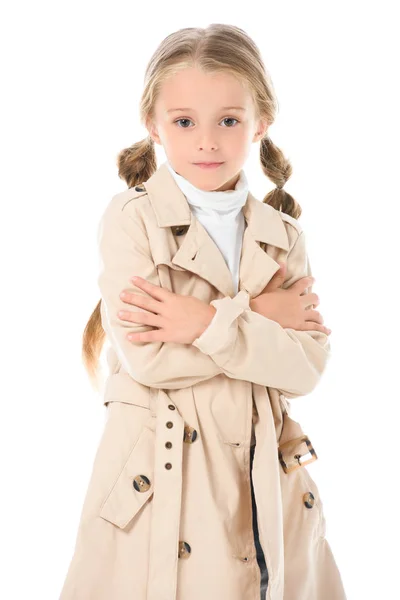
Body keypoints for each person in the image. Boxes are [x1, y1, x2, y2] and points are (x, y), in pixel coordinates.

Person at [59, 24, 347, 600]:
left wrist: (202, 321)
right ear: (154, 126)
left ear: (260, 122)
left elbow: (306, 368)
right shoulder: (131, 220)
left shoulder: (281, 235)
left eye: (229, 120)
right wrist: (256, 313)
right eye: (185, 121)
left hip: (264, 479)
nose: (208, 142)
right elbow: (152, 360)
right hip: (160, 480)